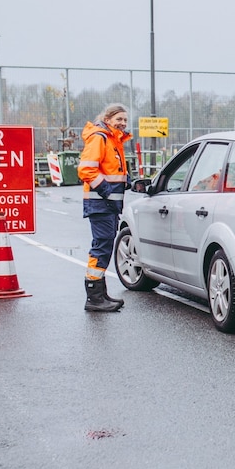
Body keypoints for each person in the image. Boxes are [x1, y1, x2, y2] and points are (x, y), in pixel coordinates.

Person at [78, 103, 133, 312]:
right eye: (119, 119)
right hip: (101, 203)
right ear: (107, 119)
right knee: (101, 247)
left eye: (125, 120)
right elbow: (86, 170)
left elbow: (111, 169)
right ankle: (94, 296)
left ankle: (100, 293)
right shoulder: (100, 138)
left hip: (108, 204)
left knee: (105, 246)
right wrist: (107, 191)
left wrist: (126, 181)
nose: (123, 123)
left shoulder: (113, 140)